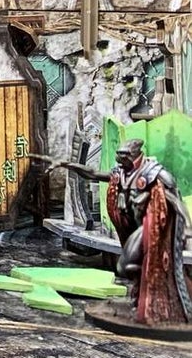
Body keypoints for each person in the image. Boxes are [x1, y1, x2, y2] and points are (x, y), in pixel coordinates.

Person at [43, 138, 192, 325]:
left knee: (126, 265)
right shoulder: (120, 173)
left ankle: (151, 298)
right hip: (131, 225)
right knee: (129, 267)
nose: (120, 158)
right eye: (119, 154)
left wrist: (187, 228)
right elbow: (93, 173)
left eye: (124, 154)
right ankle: (141, 291)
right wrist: (67, 164)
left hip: (150, 227)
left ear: (135, 154)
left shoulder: (154, 173)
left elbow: (176, 201)